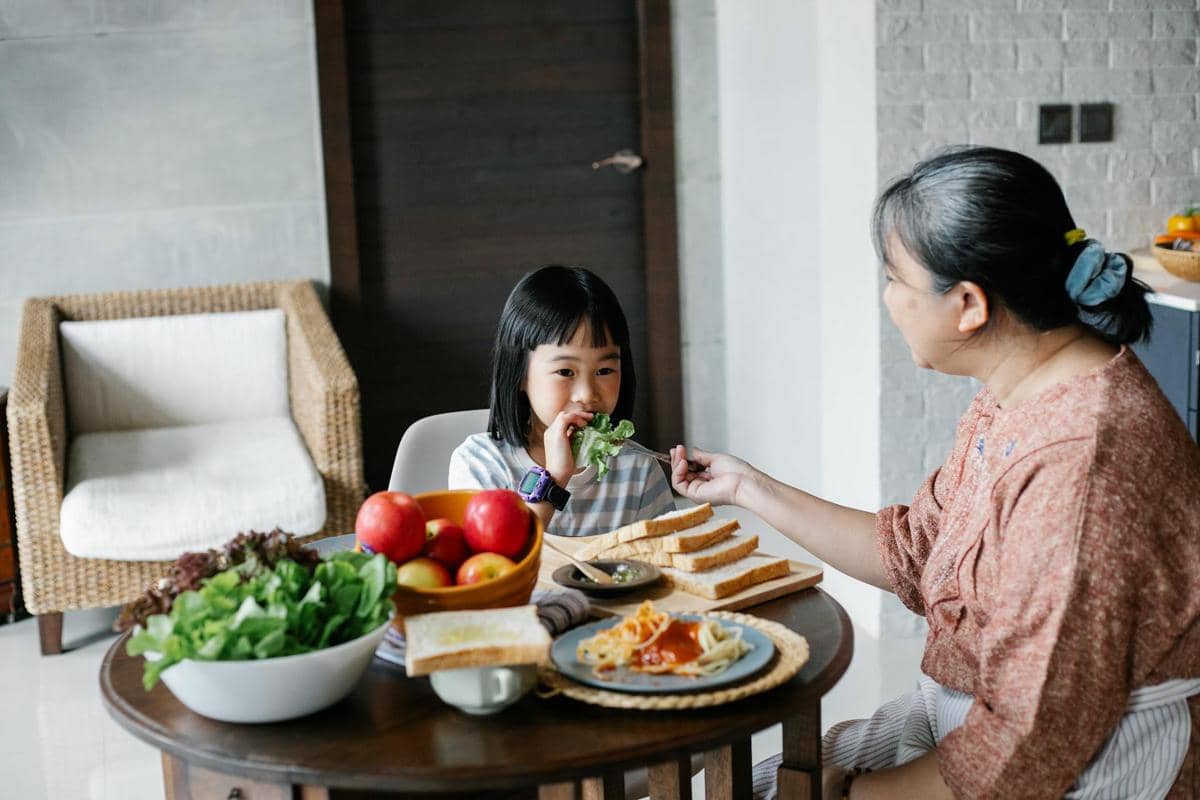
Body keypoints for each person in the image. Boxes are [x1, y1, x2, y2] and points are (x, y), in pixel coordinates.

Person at [671, 147, 1200, 799]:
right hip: (972, 728)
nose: (889, 300)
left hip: (1079, 768)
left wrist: (851, 795)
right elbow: (918, 553)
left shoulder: (1082, 460)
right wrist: (747, 487)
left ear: (970, 304)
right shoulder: (1015, 391)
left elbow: (1032, 741)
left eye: (895, 278)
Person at [449, 265, 675, 536]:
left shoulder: (638, 470)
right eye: (565, 372)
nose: (587, 394)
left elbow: (667, 566)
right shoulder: (480, 463)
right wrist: (554, 479)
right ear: (519, 374)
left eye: (604, 371)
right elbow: (497, 565)